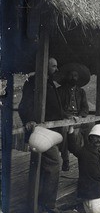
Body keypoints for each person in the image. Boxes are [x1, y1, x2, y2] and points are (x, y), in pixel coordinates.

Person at [18, 57, 67, 213]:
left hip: (50, 131)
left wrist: (65, 116)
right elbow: (24, 105)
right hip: (40, 132)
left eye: (56, 66)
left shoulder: (50, 83)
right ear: (45, 67)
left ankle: (40, 202)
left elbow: (55, 108)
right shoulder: (33, 83)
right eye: (53, 66)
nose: (56, 69)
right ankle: (48, 205)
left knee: (44, 166)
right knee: (54, 163)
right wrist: (29, 119)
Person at [56, 63, 90, 171]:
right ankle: (65, 159)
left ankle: (88, 157)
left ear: (78, 78)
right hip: (64, 118)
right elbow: (57, 108)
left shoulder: (81, 92)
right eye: (71, 75)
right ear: (67, 77)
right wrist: (67, 116)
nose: (73, 78)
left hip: (77, 119)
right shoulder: (60, 91)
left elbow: (85, 108)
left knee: (89, 127)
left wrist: (80, 116)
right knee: (65, 130)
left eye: (75, 76)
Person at [68, 124, 100, 213]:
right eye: (96, 137)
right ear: (90, 138)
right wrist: (71, 129)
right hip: (90, 192)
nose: (98, 140)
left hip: (97, 192)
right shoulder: (83, 152)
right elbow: (72, 147)